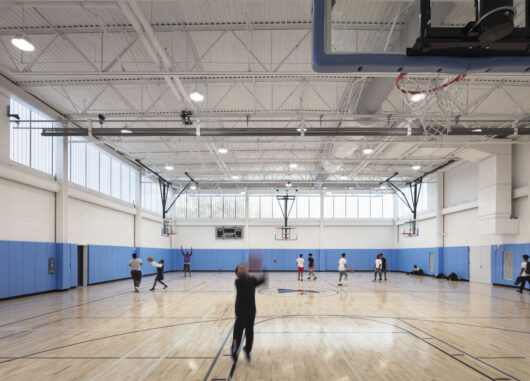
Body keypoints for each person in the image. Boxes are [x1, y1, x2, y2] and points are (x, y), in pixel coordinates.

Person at [231, 264, 267, 362]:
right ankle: (234, 351)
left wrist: (264, 273)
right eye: (240, 268)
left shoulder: (251, 280)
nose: (243, 269)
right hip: (240, 312)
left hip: (251, 311)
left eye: (244, 268)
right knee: (237, 335)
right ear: (237, 273)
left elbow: (262, 281)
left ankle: (247, 349)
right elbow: (245, 280)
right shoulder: (238, 281)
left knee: (250, 334)